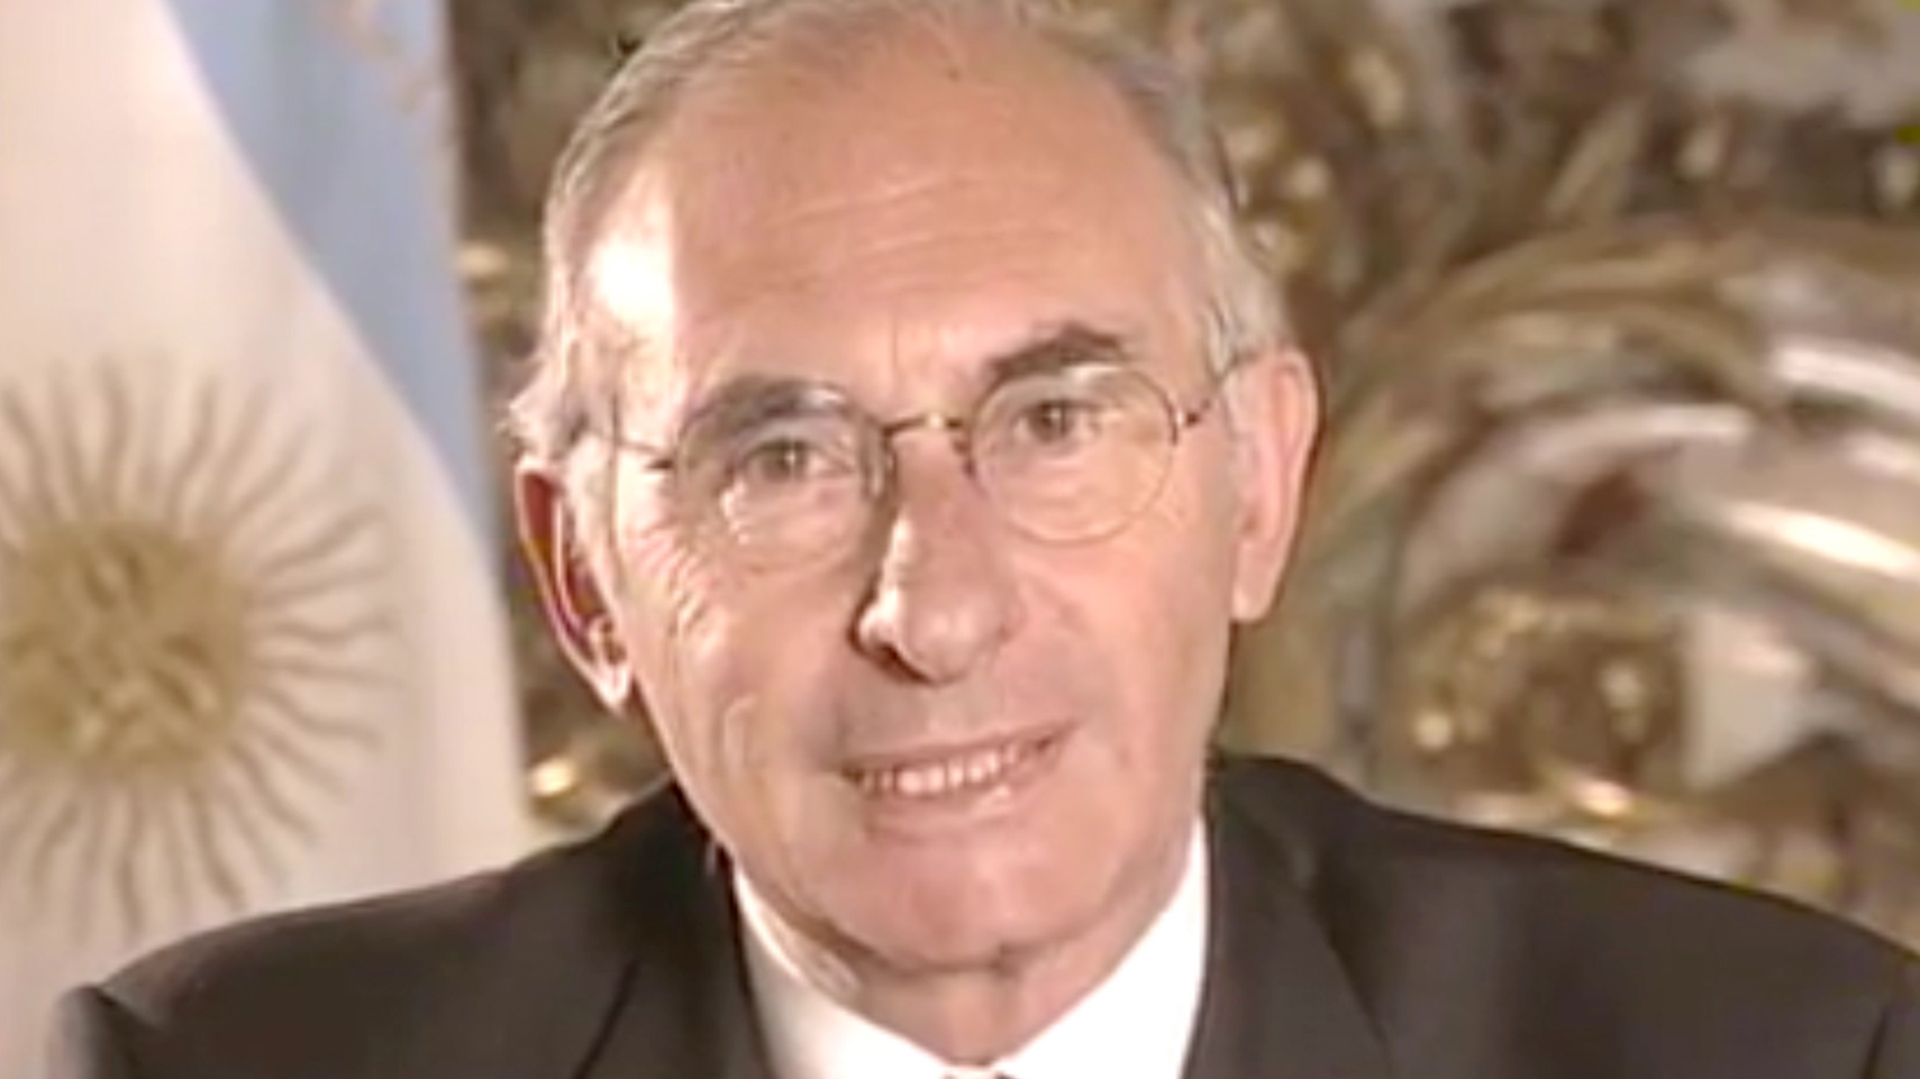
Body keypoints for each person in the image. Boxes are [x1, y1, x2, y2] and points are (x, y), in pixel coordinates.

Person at [51, 0, 1920, 1075]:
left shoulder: (1775, 1056)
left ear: (1260, 485)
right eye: (781, 458)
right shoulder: (224, 1077)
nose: (932, 610)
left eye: (1054, 425)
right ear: (587, 581)